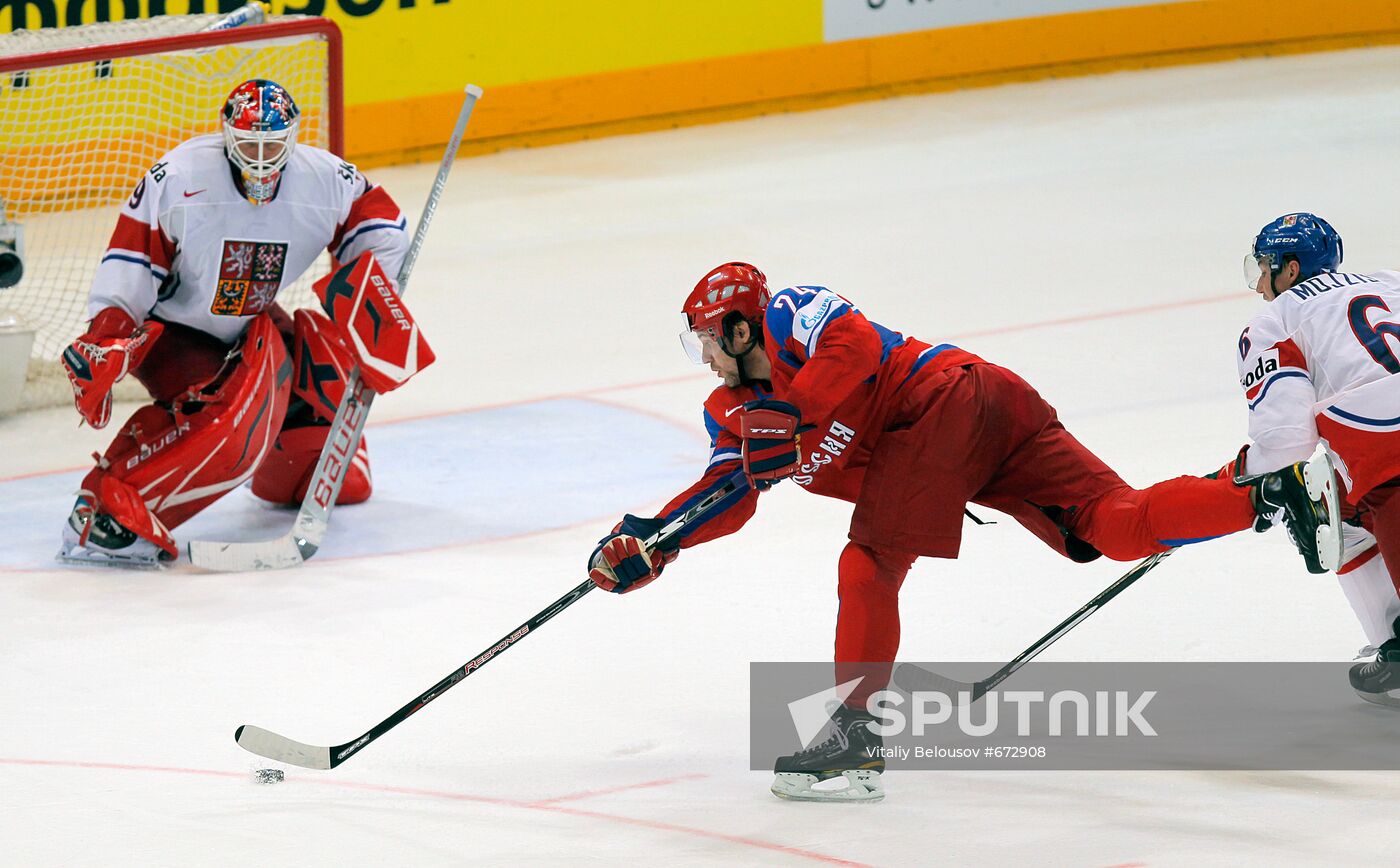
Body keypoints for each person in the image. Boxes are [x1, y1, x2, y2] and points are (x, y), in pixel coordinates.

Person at [584, 261, 1338, 802]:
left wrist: (797, 412)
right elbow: (729, 494)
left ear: (740, 325)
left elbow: (855, 345)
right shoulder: (730, 413)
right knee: (1111, 527)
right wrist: (656, 539)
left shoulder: (791, 313)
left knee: (869, 564)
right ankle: (1265, 491)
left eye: (706, 338)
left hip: (944, 401)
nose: (704, 357)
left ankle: (854, 736)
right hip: (978, 419)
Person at [57, 79, 426, 567]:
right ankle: (106, 514)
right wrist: (108, 334)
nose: (261, 158)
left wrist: (373, 309)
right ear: (227, 136)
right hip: (174, 333)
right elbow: (131, 260)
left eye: (273, 145)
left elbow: (377, 223)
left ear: (292, 139)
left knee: (317, 355)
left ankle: (296, 465)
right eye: (250, 145)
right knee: (244, 409)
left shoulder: (323, 180)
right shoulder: (180, 177)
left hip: (246, 325)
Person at [1236, 213, 1400, 707]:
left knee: (1323, 512)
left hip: (1384, 444)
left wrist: (1249, 479)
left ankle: (1395, 652)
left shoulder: (1275, 321)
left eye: (1264, 268)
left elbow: (1286, 441)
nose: (1259, 283)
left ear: (1289, 269)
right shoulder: (1390, 281)